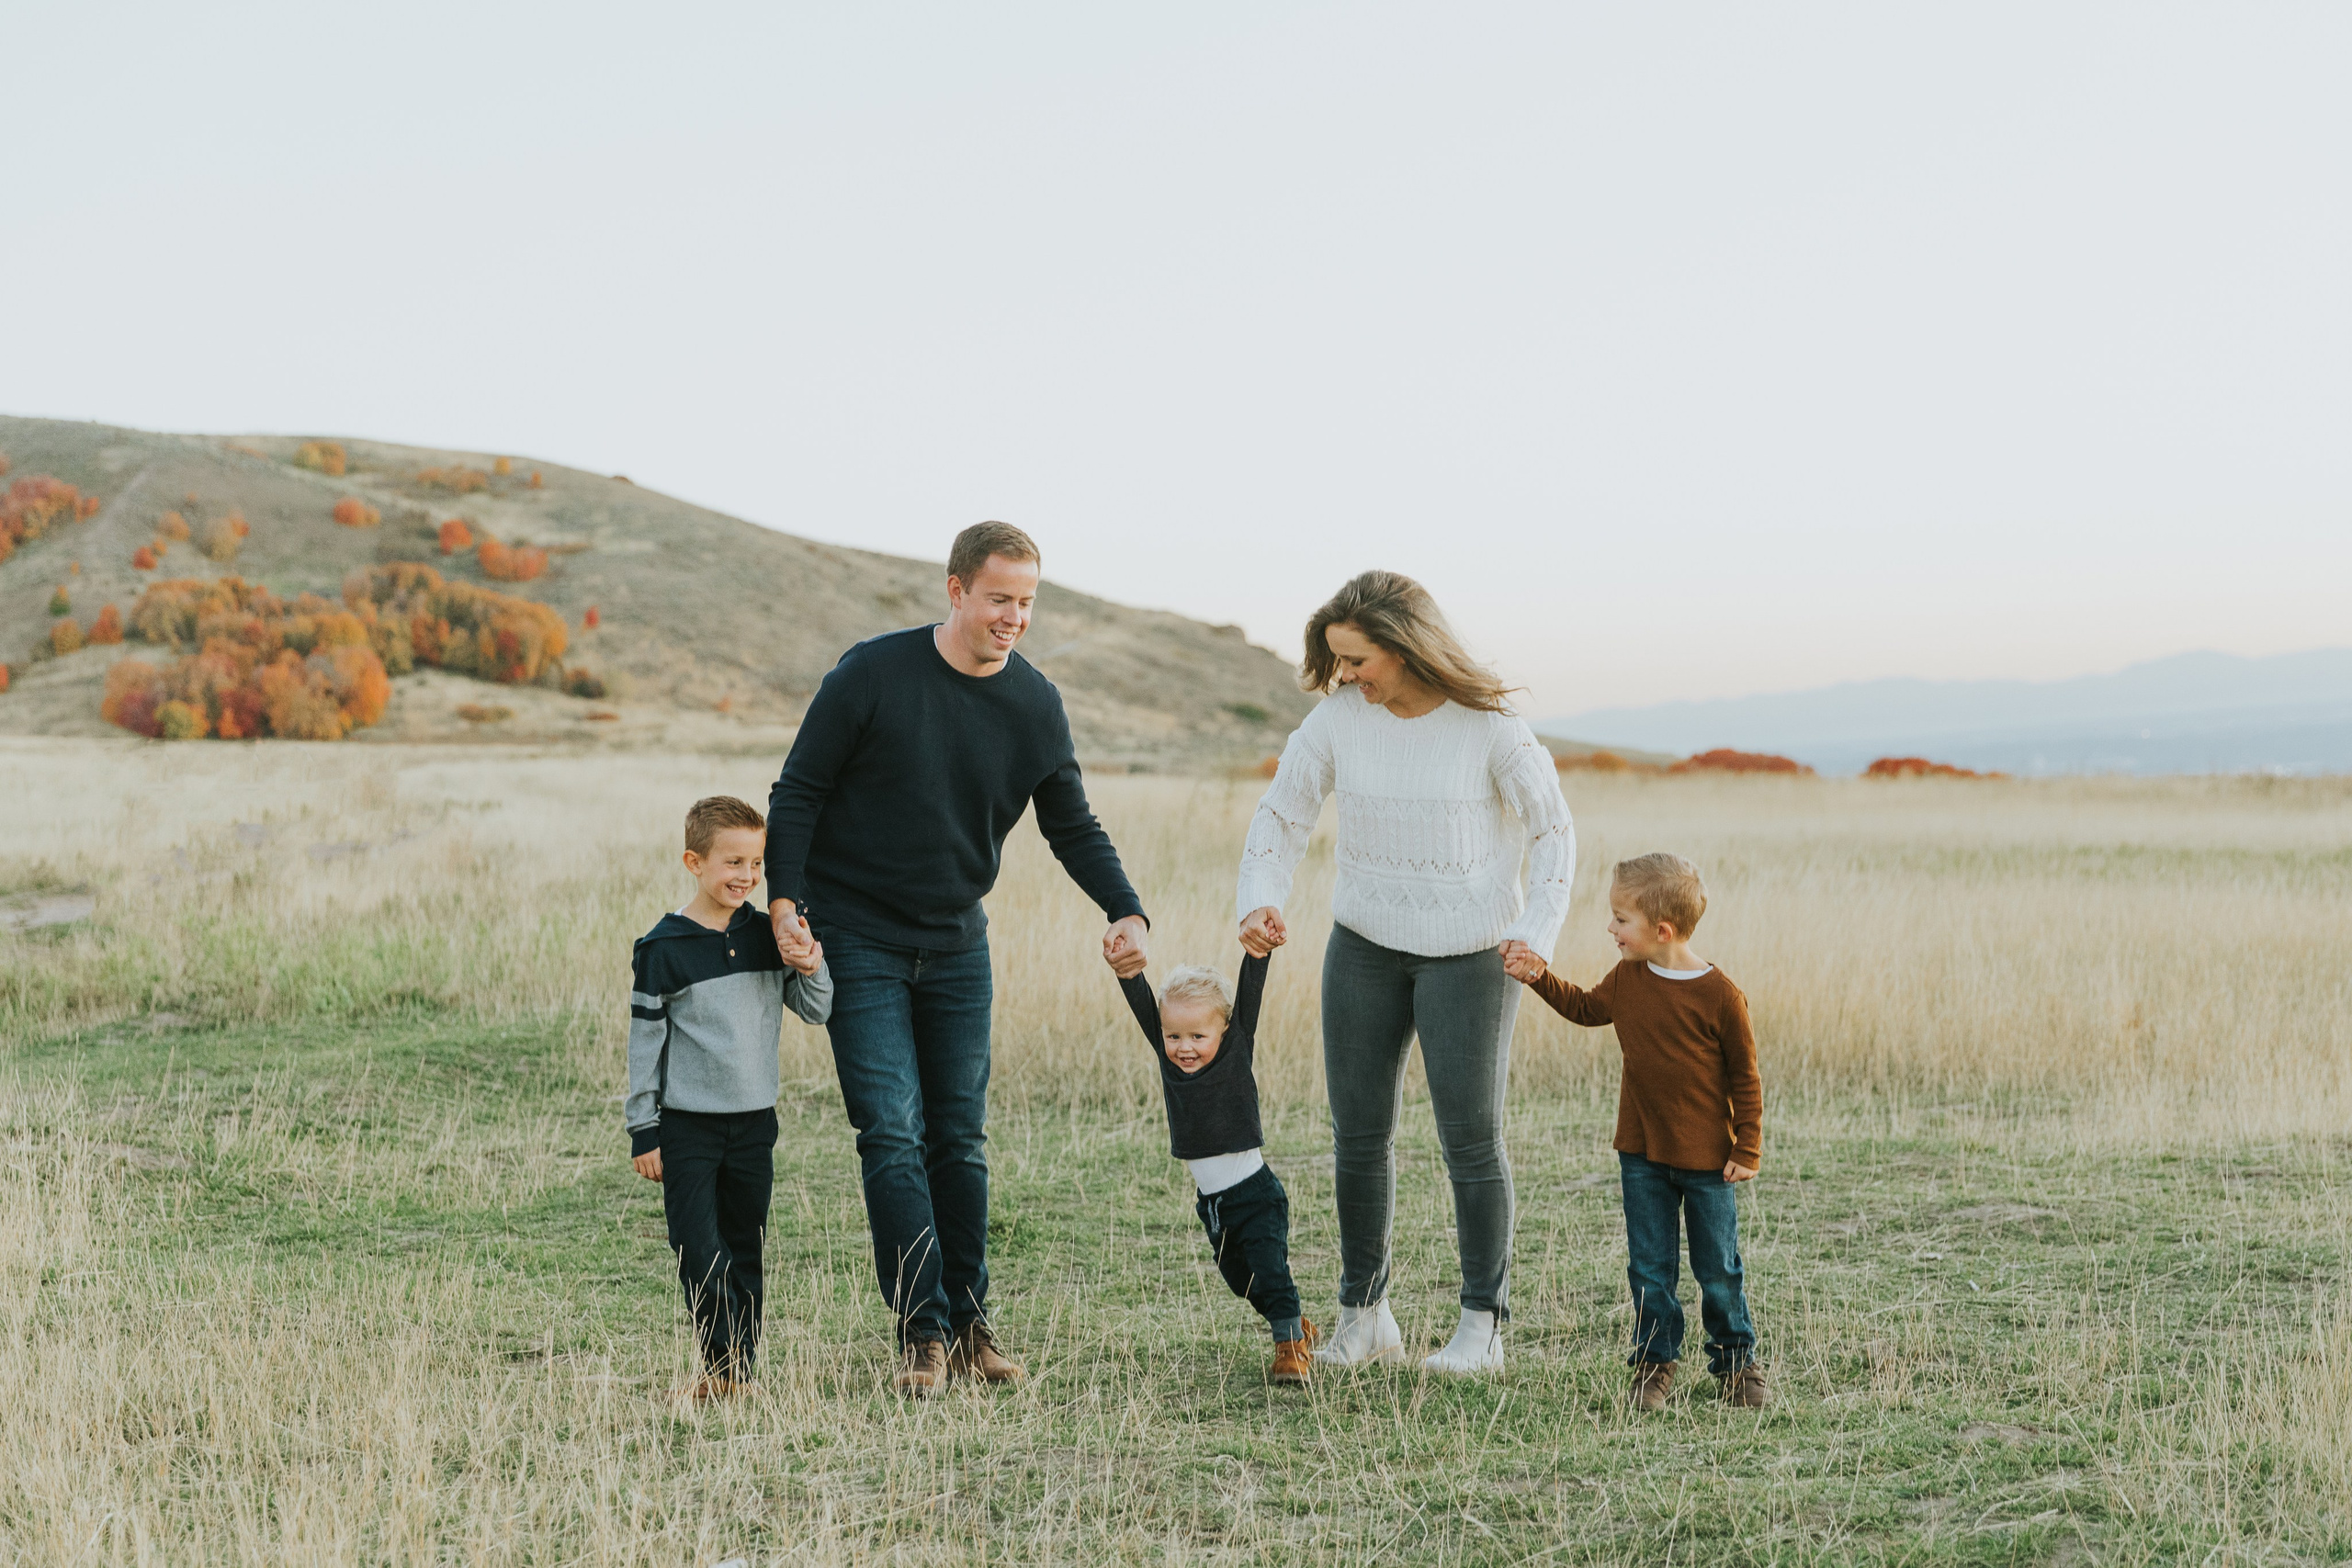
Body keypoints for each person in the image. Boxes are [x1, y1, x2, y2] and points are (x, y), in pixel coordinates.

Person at [765, 521, 1151, 1397]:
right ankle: (921, 1331)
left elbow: (1072, 824)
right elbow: (799, 791)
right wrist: (784, 903)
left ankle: (972, 1319)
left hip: (956, 942)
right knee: (891, 1132)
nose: (1014, 616)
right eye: (999, 598)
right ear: (955, 591)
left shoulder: (1034, 703)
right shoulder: (871, 672)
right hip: (856, 938)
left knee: (960, 1138)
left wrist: (1124, 904)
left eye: (1027, 601)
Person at [1237, 570, 1575, 1375]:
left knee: (1471, 1140)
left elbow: (1554, 830)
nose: (1348, 675)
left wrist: (1537, 928)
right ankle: (1365, 1314)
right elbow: (1282, 812)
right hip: (1363, 946)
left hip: (1472, 955)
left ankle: (1480, 1328)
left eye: (1358, 660)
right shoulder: (1337, 721)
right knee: (1357, 1136)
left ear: (1404, 643)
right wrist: (1259, 897)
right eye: (1339, 661)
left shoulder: (1490, 725)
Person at [1500, 852, 1770, 1409]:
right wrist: (1538, 977)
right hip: (1642, 1154)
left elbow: (1746, 1079)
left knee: (1718, 1267)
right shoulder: (1628, 979)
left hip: (1708, 1161)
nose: (1611, 928)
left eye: (1621, 920)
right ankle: (1653, 1365)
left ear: (1662, 930)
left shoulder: (1721, 997)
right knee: (1649, 1267)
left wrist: (1749, 1146)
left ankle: (1737, 1365)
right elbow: (1584, 1008)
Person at [626, 795, 833, 1401]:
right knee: (696, 1243)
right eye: (732, 861)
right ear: (695, 860)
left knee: (746, 1243)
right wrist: (645, 1127)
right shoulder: (662, 948)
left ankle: (732, 1373)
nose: (746, 875)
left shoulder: (768, 935)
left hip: (753, 1123)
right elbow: (646, 1043)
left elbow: (817, 1010)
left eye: (756, 863)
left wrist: (810, 960)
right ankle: (722, 1356)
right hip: (687, 1126)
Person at [1117, 949, 1317, 1385]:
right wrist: (1129, 973)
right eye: (1173, 1037)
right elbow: (1143, 1008)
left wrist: (1258, 953)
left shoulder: (1234, 1050)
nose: (1184, 1047)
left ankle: (1288, 1348)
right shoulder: (1170, 1062)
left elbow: (1250, 992)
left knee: (1270, 1270)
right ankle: (1294, 1323)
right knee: (1239, 1280)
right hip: (1212, 1205)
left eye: (1197, 1037)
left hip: (1256, 1195)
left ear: (1224, 1033)